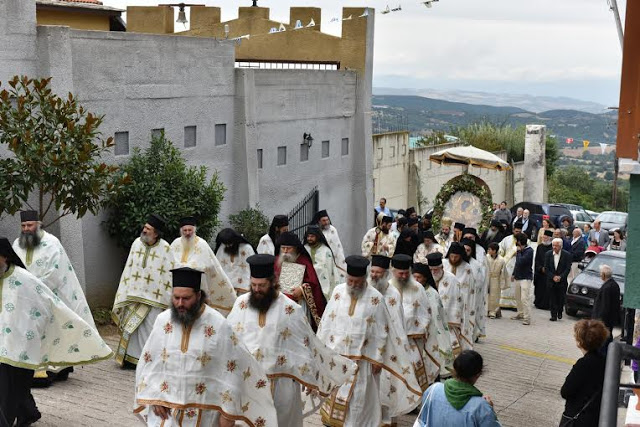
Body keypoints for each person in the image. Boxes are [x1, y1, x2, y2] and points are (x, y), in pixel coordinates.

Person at [133, 267, 278, 427]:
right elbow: (149, 361)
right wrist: (154, 395)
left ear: (199, 295)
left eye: (186, 298)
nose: (180, 303)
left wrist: (228, 413)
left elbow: (233, 369)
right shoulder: (163, 321)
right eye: (176, 297)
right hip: (168, 410)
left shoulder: (218, 324)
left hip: (204, 413)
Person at [227, 254, 356, 427]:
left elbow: (306, 343)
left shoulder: (290, 309)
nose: (257, 290)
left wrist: (310, 376)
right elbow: (229, 339)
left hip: (282, 383)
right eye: (253, 285)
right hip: (249, 380)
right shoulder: (241, 304)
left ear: (273, 283)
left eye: (262, 286)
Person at [0, 237, 112, 427]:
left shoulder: (23, 278)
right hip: (3, 347)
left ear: (5, 257)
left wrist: (28, 332)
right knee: (10, 388)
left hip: (21, 346)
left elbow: (48, 304)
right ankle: (29, 413)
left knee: (11, 389)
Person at [318, 255, 422, 426]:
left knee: (359, 399)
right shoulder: (338, 291)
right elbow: (327, 322)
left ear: (364, 278)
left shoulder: (375, 297)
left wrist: (378, 358)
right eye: (350, 281)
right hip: (338, 357)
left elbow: (382, 330)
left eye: (357, 282)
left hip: (364, 360)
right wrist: (323, 351)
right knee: (337, 394)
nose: (353, 285)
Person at [13, 210, 97, 383]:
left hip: (49, 296)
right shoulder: (16, 244)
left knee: (53, 332)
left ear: (38, 224)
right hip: (26, 299)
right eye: (23, 226)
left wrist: (35, 290)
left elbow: (55, 273)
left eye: (29, 225)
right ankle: (32, 368)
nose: (26, 229)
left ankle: (55, 369)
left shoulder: (52, 243)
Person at [112, 214, 173, 367]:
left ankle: (148, 359)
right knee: (131, 328)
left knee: (150, 329)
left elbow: (168, 273)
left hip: (155, 297)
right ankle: (130, 359)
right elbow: (129, 268)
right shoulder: (136, 244)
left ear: (156, 233)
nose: (144, 230)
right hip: (134, 293)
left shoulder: (165, 248)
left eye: (148, 229)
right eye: (144, 227)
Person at [368, 254, 411, 427]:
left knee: (386, 386)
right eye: (372, 271)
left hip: (388, 348)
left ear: (386, 274)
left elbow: (397, 324)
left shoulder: (393, 294)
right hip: (368, 346)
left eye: (378, 272)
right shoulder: (367, 290)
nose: (374, 275)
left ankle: (385, 421)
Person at [389, 254, 444, 391]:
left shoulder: (418, 288)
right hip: (391, 340)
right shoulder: (387, 288)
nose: (403, 276)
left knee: (413, 370)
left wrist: (417, 328)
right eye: (400, 273)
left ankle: (415, 402)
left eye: (406, 273)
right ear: (393, 272)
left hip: (413, 341)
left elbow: (426, 314)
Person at [170, 216, 237, 316]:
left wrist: (186, 266)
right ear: (181, 231)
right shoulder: (175, 243)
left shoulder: (202, 244)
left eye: (190, 230)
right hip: (178, 284)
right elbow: (169, 262)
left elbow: (207, 264)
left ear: (194, 230)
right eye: (185, 230)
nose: (187, 233)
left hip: (197, 284)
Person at [415, 350, 501, 427]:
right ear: (478, 375)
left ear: (455, 368)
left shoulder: (433, 390)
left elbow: (423, 420)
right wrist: (490, 410)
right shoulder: (481, 406)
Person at [560, 319, 609, 427]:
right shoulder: (606, 363)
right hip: (597, 418)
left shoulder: (583, 364)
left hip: (577, 418)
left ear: (579, 341)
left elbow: (565, 391)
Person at [274, 232, 326, 331]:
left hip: (298, 303)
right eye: (283, 248)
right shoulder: (276, 261)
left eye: (288, 248)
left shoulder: (303, 261)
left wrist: (302, 289)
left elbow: (313, 283)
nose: (285, 251)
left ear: (295, 248)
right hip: (279, 303)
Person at [413, 262, 455, 375]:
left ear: (425, 278)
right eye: (414, 277)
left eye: (419, 277)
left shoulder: (432, 293)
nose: (416, 280)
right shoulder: (409, 291)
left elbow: (436, 315)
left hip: (431, 330)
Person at [428, 252, 464, 359]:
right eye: (431, 270)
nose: (433, 272)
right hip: (431, 318)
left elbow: (456, 300)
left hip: (448, 320)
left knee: (451, 344)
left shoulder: (452, 279)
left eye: (436, 270)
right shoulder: (427, 278)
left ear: (442, 267)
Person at [443, 243, 474, 351]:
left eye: (456, 256)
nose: (454, 259)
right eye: (452, 256)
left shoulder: (467, 268)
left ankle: (459, 347)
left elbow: (469, 289)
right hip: (444, 302)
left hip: (460, 303)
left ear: (461, 256)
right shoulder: (444, 264)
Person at [214, 228, 255, 295]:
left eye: (229, 243)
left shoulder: (247, 248)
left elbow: (252, 266)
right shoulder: (222, 247)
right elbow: (217, 264)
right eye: (225, 244)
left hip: (243, 283)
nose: (227, 246)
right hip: (227, 282)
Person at [305, 225, 341, 299]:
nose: (309, 238)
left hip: (323, 286)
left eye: (312, 236)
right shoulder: (304, 249)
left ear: (317, 237)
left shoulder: (326, 251)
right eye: (308, 236)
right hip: (307, 285)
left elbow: (330, 270)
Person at [462, 238, 487, 339]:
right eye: (464, 250)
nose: (466, 252)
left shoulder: (476, 265)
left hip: (471, 297)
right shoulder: (457, 263)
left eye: (468, 250)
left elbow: (480, 282)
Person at [498, 220, 526, 310]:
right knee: (506, 282)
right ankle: (503, 303)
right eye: (516, 231)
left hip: (518, 265)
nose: (517, 233)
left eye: (519, 231)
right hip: (507, 265)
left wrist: (519, 251)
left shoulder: (525, 240)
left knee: (515, 286)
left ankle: (515, 304)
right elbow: (500, 249)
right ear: (513, 230)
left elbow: (527, 251)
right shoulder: (507, 239)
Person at [591, 264, 620, 347]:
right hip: (610, 320)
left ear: (603, 275)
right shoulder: (614, 284)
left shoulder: (607, 287)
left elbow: (605, 306)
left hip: (604, 321)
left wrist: (599, 321)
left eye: (600, 273)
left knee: (603, 341)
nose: (600, 275)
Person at [545, 238, 572, 321]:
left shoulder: (567, 255)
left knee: (560, 298)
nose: (554, 247)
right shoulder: (548, 254)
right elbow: (546, 268)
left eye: (556, 246)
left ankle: (560, 311)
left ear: (560, 246)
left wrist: (560, 277)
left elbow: (567, 268)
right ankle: (553, 315)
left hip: (562, 281)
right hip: (551, 281)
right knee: (552, 298)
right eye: (553, 245)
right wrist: (553, 276)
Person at [511, 233, 534, 325]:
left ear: (520, 242)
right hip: (518, 276)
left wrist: (519, 252)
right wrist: (513, 274)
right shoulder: (520, 251)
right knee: (517, 297)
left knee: (525, 298)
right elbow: (516, 264)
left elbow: (521, 262)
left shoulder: (529, 251)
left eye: (517, 240)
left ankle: (527, 317)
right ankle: (520, 313)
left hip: (525, 278)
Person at [485, 243, 508, 319]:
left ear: (494, 251)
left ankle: (493, 311)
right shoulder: (486, 258)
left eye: (490, 249)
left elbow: (503, 272)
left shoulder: (501, 260)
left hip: (496, 279)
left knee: (495, 296)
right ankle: (487, 310)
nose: (488, 251)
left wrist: (503, 282)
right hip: (487, 277)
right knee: (486, 295)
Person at [534, 229, 554, 310]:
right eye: (544, 237)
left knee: (547, 289)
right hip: (540, 272)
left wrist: (547, 269)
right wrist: (540, 268)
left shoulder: (552, 248)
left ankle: (546, 305)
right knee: (539, 288)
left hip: (549, 272)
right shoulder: (540, 247)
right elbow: (537, 259)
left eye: (546, 238)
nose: (544, 239)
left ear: (549, 238)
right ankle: (538, 303)